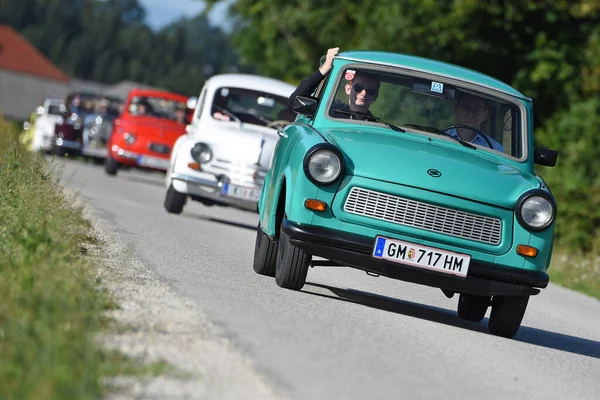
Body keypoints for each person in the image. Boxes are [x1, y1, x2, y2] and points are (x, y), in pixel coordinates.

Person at [288, 47, 380, 120]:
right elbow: (294, 100)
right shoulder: (329, 111)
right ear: (348, 89)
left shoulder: (376, 127)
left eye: (370, 90)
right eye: (358, 87)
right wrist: (325, 68)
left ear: (375, 96)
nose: (364, 93)